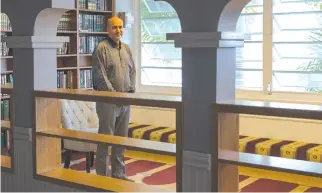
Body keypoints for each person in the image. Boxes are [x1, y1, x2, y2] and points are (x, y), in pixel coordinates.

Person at [91, 16, 136, 182]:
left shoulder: (127, 49)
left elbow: (133, 72)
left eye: (121, 27)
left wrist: (131, 91)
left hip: (125, 101)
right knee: (105, 140)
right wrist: (114, 95)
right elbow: (100, 77)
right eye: (115, 27)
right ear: (108, 29)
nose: (118, 30)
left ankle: (119, 174)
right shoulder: (101, 48)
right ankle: (102, 177)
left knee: (120, 140)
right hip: (108, 102)